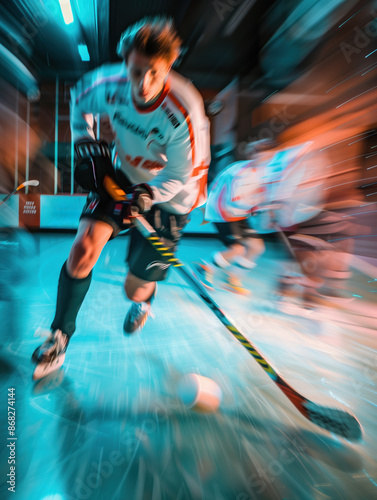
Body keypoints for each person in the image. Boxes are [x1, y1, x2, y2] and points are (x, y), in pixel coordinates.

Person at [31, 16, 210, 380]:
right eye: (135, 72)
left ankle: (145, 300)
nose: (143, 84)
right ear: (125, 63)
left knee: (134, 287)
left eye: (154, 73)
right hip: (123, 177)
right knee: (83, 248)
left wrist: (147, 195)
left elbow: (181, 175)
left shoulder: (185, 111)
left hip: (174, 197)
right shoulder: (106, 84)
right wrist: (88, 146)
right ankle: (60, 336)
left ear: (169, 66)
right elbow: (78, 102)